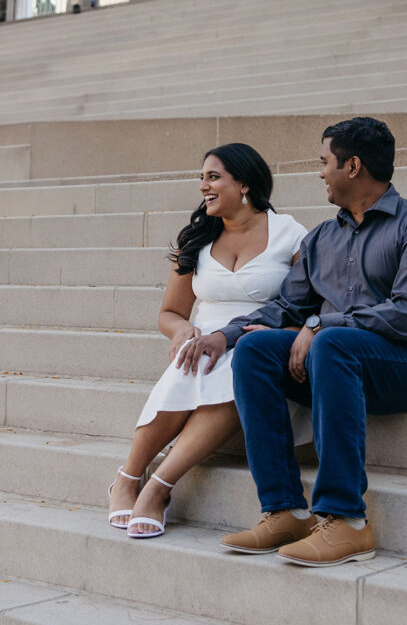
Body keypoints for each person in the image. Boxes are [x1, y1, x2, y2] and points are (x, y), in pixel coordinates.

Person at [178, 116, 407, 566]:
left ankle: (348, 522)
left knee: (332, 341)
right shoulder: (323, 237)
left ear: (353, 166)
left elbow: (406, 315)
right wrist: (222, 336)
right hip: (335, 363)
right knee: (257, 349)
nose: (320, 171)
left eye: (325, 162)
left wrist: (321, 325)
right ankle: (283, 509)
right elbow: (285, 307)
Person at [107, 142, 308, 538]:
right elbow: (170, 312)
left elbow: (304, 303)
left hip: (258, 338)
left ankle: (157, 486)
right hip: (202, 342)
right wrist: (182, 330)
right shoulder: (197, 237)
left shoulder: (290, 234)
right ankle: (128, 478)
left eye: (213, 177)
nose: (203, 186)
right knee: (192, 359)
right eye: (202, 178)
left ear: (245, 183)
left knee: (239, 365)